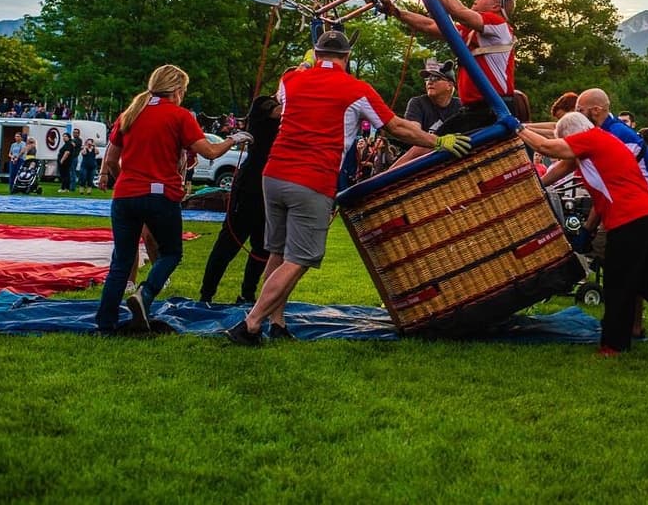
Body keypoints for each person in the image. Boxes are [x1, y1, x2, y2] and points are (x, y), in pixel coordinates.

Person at [225, 30, 470, 345]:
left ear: (317, 53)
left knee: (278, 251)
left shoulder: (290, 81)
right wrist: (438, 141)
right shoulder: (356, 89)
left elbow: (293, 76)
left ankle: (278, 321)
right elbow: (395, 126)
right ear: (347, 56)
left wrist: (307, 61)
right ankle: (251, 324)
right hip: (311, 178)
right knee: (301, 258)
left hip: (273, 175)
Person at [517, 112, 648, 355]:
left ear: (572, 136)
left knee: (617, 282)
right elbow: (561, 169)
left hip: (629, 217)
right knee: (641, 278)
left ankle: (614, 344)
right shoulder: (599, 144)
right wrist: (538, 186)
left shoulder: (590, 139)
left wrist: (516, 128)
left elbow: (546, 147)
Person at [95, 65, 253, 333]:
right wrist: (234, 140)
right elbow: (210, 152)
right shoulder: (180, 116)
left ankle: (106, 321)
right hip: (160, 195)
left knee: (121, 261)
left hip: (125, 195)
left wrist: (127, 182)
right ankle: (144, 295)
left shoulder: (129, 115)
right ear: (177, 90)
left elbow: (111, 160)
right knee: (170, 253)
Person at [378, 0, 521, 133]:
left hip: (491, 109)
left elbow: (458, 11)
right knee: (427, 145)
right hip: (477, 110)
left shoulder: (497, 24)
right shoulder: (474, 32)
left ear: (495, 6)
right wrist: (397, 12)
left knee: (428, 145)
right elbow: (431, 25)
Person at [199, 95, 282, 305]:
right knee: (229, 243)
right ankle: (206, 294)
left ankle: (247, 294)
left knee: (262, 246)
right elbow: (277, 111)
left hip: (270, 187)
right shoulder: (264, 104)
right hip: (249, 187)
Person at [404, 58, 461, 136]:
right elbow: (413, 133)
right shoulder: (417, 103)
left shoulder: (461, 106)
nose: (429, 82)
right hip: (424, 146)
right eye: (427, 78)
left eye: (435, 78)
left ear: (450, 85)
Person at [57, 128, 82, 192]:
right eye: (74, 132)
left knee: (70, 173)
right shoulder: (71, 141)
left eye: (76, 132)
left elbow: (70, 148)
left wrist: (62, 160)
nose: (75, 133)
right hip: (70, 158)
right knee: (69, 173)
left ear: (79, 134)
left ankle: (71, 187)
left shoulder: (78, 140)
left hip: (73, 158)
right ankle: (68, 187)